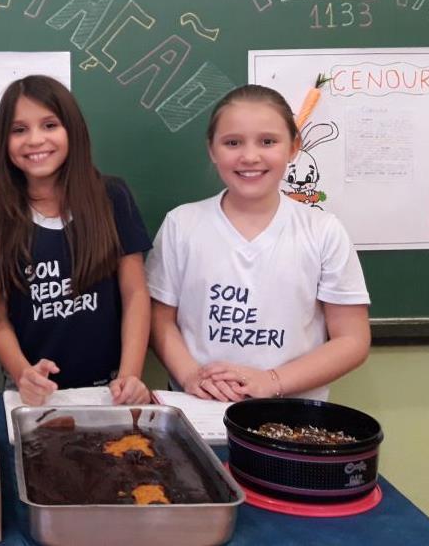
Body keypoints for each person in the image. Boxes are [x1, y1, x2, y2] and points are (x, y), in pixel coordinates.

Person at [146, 84, 370, 402]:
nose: (250, 156)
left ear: (294, 147)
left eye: (268, 141)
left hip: (290, 414)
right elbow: (159, 319)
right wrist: (191, 376)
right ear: (212, 149)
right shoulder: (182, 225)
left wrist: (271, 380)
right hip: (197, 408)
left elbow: (352, 340)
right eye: (232, 142)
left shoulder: (323, 231)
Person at [0, 75, 152, 406]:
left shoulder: (112, 197)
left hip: (108, 389)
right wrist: (22, 373)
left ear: (72, 130)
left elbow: (135, 293)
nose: (35, 140)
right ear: (4, 142)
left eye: (49, 125)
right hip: (32, 396)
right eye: (18, 130)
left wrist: (130, 375)